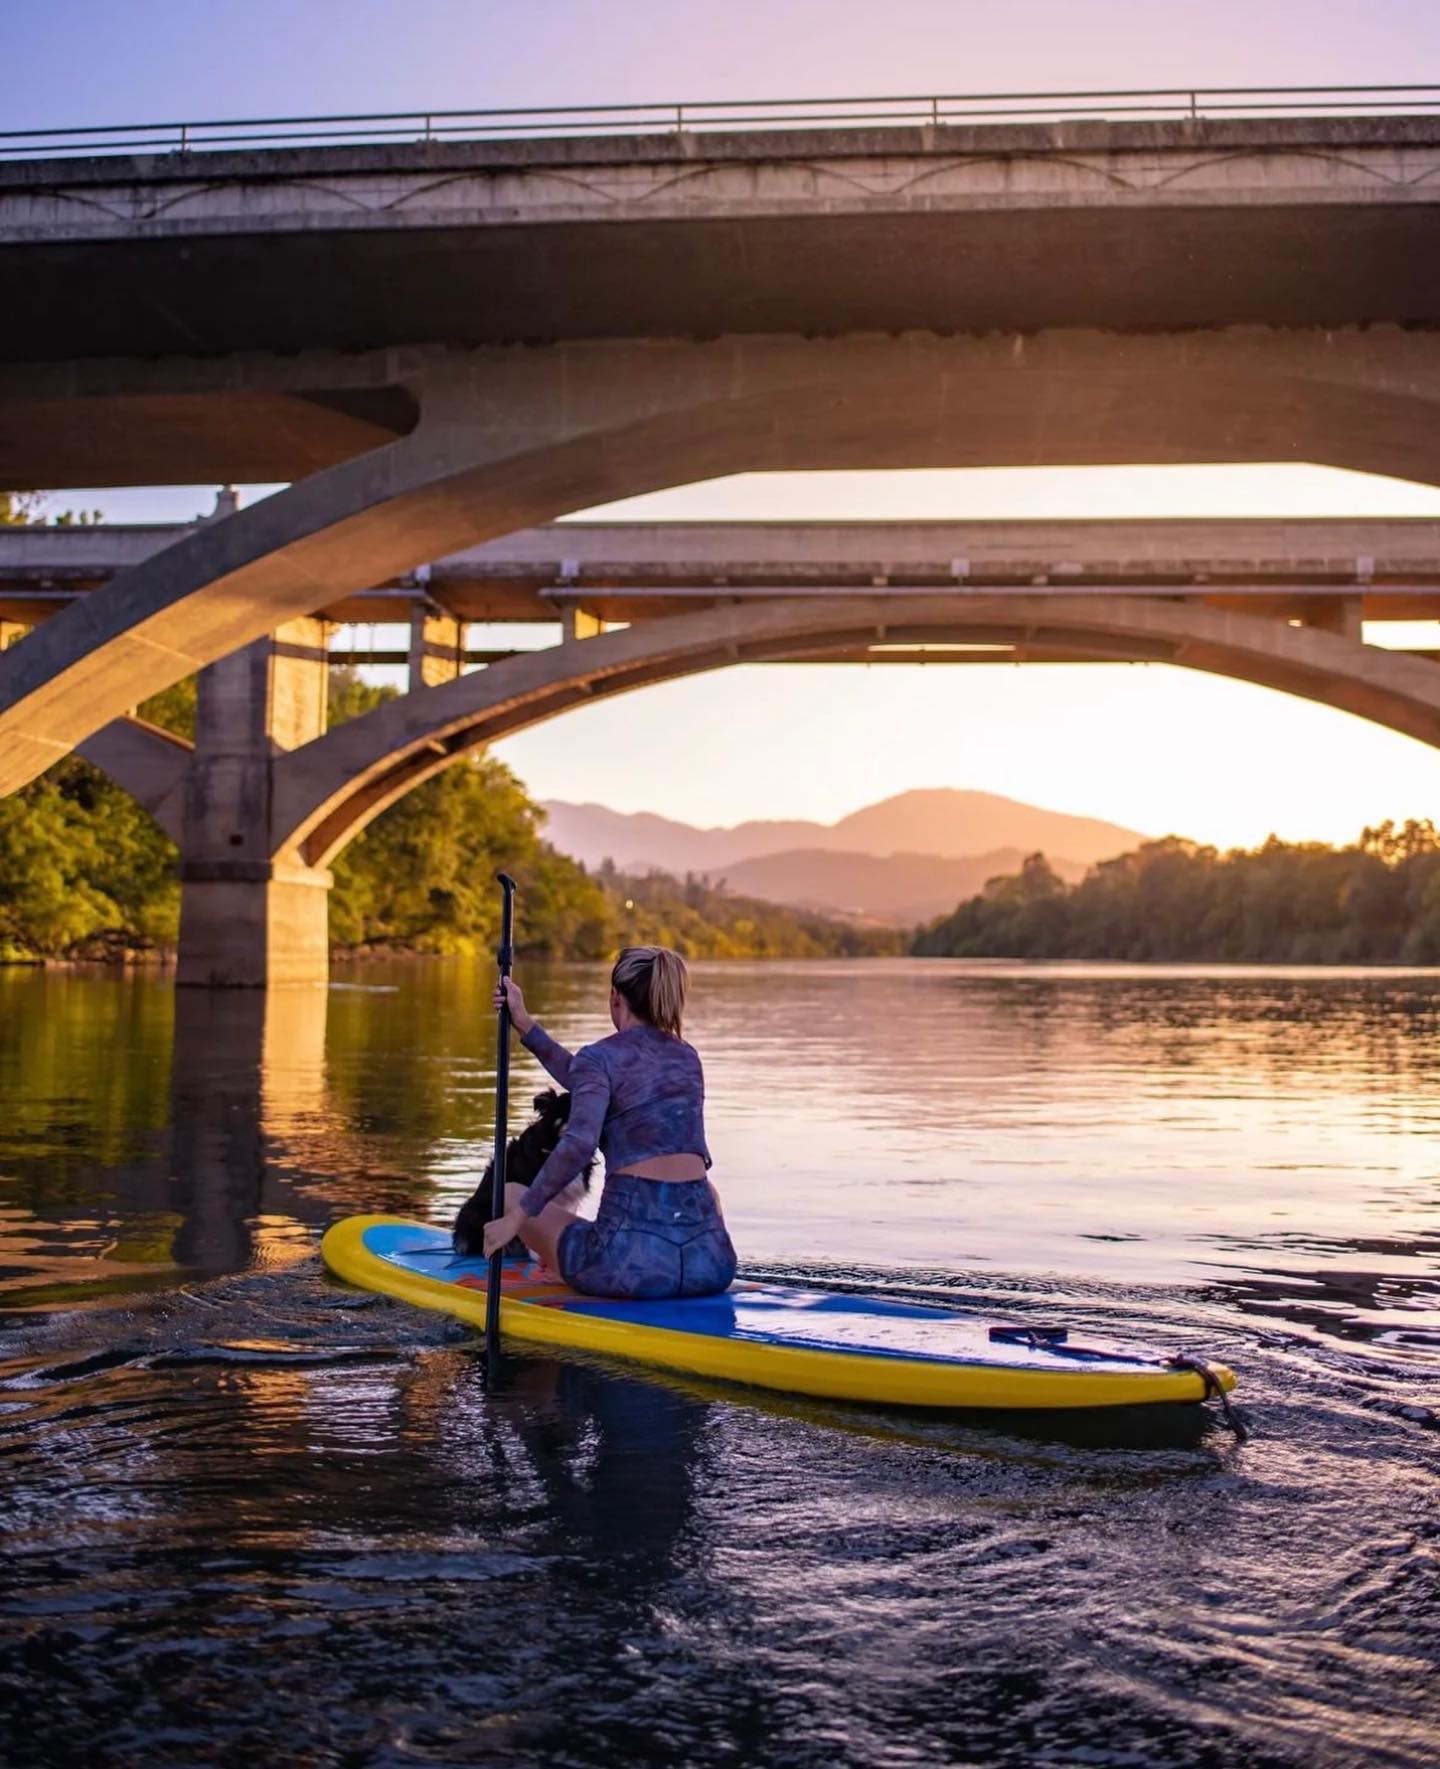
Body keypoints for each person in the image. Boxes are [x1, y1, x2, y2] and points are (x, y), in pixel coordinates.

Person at [483, 946, 738, 1300]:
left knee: (511, 1193)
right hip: (710, 1265)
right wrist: (525, 1024)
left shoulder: (601, 1058)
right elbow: (590, 1082)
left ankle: (556, 1261)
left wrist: (517, 1219)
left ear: (615, 997)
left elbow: (579, 1144)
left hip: (627, 1267)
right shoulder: (687, 1058)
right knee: (707, 1190)